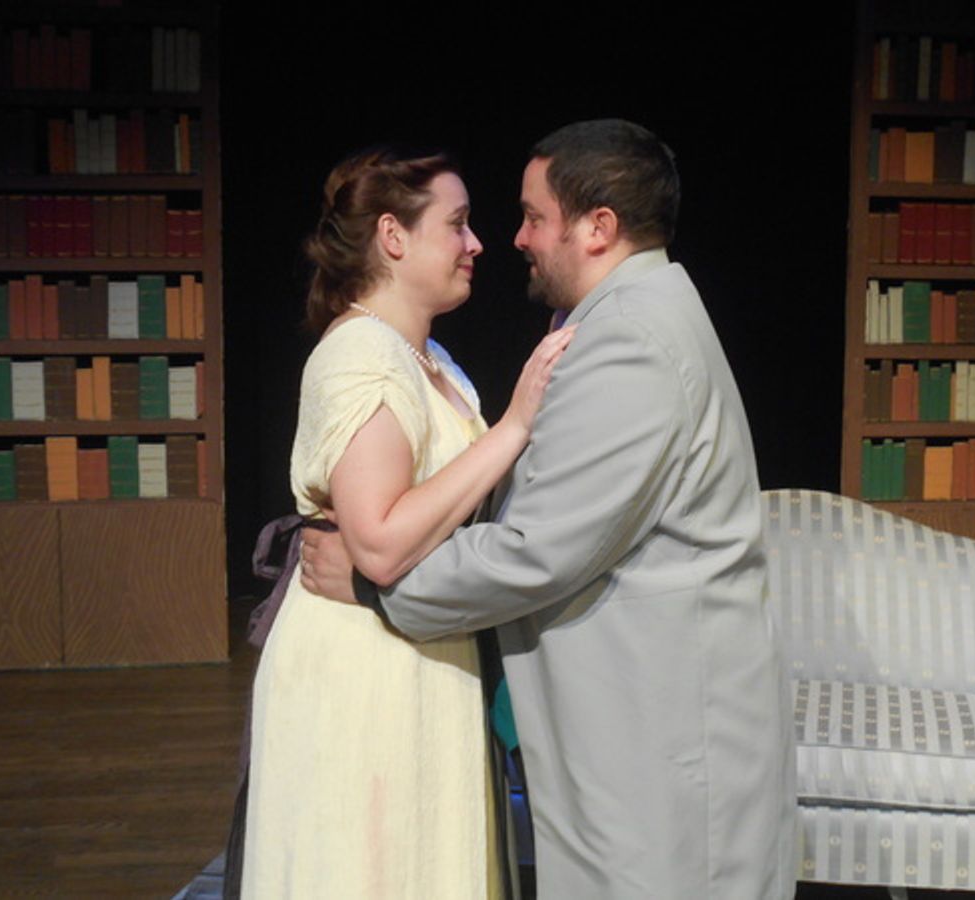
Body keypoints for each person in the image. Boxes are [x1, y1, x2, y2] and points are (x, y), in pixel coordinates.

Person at [301, 119, 797, 899]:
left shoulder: (630, 337)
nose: (516, 239)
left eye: (534, 217)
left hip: (653, 727)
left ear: (598, 227)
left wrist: (376, 588)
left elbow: (539, 549)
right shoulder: (616, 317)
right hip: (629, 714)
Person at [240, 148, 573, 899]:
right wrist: (514, 426)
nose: (476, 243)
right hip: (364, 666)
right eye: (456, 225)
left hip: (418, 647)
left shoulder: (426, 357)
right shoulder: (361, 355)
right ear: (393, 236)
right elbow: (382, 542)